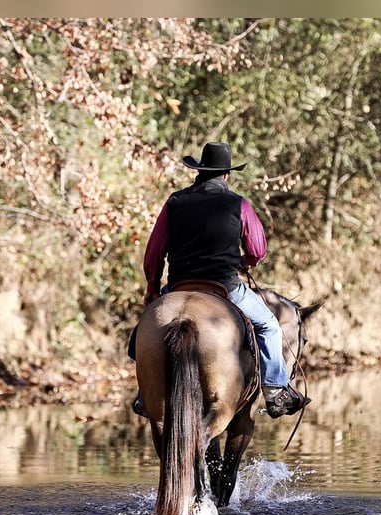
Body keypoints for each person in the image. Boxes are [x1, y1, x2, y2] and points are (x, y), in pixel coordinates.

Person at [132, 141, 310, 419]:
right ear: (226, 174)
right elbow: (258, 249)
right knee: (269, 326)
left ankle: (145, 393)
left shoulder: (175, 202)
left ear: (199, 171)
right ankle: (276, 390)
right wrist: (245, 262)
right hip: (225, 287)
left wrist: (153, 290)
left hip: (179, 285)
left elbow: (153, 253)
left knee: (142, 331)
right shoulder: (238, 204)